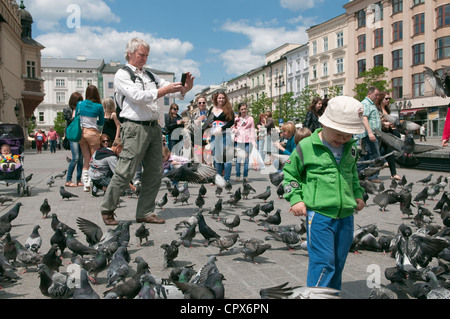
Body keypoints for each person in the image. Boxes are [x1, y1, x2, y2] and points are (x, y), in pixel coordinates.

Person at [99, 37, 193, 226]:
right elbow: (137, 96)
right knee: (125, 172)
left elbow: (171, 89)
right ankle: (107, 209)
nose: (145, 59)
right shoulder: (122, 75)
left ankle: (145, 212)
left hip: (153, 128)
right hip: (134, 127)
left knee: (154, 172)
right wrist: (165, 90)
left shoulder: (150, 75)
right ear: (130, 53)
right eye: (142, 55)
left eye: (147, 55)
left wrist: (184, 89)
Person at [283, 95, 366, 291]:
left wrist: (358, 194)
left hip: (346, 215)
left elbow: (352, 174)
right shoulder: (306, 146)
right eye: (339, 134)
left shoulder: (351, 148)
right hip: (319, 215)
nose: (343, 139)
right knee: (323, 261)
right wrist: (295, 199)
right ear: (324, 124)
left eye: (348, 135)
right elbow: (289, 174)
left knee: (338, 260)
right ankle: (316, 295)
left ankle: (331, 294)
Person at [202, 91, 234, 182]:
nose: (221, 99)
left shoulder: (228, 109)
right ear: (216, 98)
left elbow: (232, 122)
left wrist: (222, 128)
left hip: (225, 135)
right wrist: (207, 126)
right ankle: (219, 178)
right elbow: (208, 121)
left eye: (223, 98)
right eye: (219, 98)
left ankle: (227, 178)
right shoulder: (212, 108)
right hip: (214, 136)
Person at [77, 84, 105, 192]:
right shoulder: (98, 106)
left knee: (86, 158)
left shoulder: (80, 104)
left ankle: (85, 183)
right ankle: (92, 182)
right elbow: (101, 122)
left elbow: (76, 118)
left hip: (82, 133)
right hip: (92, 133)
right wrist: (94, 122)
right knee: (94, 159)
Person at [356, 86, 382, 183]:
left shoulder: (371, 104)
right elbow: (364, 118)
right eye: (376, 95)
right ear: (369, 94)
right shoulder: (366, 103)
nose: (377, 97)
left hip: (373, 133)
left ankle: (356, 171)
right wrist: (370, 133)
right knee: (376, 156)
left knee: (368, 156)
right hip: (369, 134)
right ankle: (372, 176)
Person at [377, 91, 401, 180]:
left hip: (387, 133)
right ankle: (368, 173)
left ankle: (393, 173)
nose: (388, 100)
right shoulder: (377, 109)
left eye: (389, 99)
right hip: (380, 133)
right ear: (381, 99)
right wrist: (383, 122)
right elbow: (375, 121)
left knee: (389, 152)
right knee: (377, 153)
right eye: (386, 98)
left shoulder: (387, 110)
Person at [63, 92, 84, 187]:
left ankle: (79, 179)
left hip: (81, 135)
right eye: (78, 101)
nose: (80, 102)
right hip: (73, 136)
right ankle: (68, 180)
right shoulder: (68, 110)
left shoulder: (82, 110)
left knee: (80, 159)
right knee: (75, 158)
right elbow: (70, 120)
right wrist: (75, 113)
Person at [232, 102, 256, 182]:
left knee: (246, 159)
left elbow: (252, 131)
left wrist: (254, 142)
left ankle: (245, 175)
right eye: (242, 109)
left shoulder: (250, 119)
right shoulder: (236, 119)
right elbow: (232, 128)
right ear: (239, 110)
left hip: (247, 140)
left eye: (245, 109)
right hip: (238, 140)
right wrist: (234, 130)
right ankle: (238, 175)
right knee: (238, 159)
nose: (243, 111)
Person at [192, 95, 208, 164]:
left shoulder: (210, 112)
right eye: (200, 103)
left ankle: (208, 172)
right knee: (198, 156)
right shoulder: (194, 113)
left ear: (206, 103)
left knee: (208, 156)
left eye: (203, 102)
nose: (201, 104)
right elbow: (191, 126)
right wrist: (197, 121)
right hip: (198, 137)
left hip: (207, 136)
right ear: (197, 104)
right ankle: (200, 172)